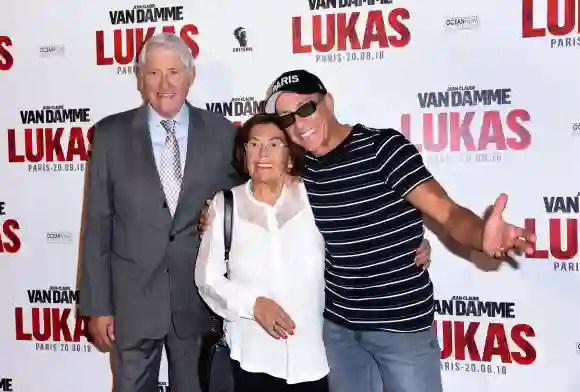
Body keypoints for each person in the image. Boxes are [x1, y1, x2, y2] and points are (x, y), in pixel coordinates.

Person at [259, 69, 536, 392]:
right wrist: (212, 211)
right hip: (339, 331)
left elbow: (447, 212)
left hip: (401, 329)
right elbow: (255, 205)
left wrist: (480, 235)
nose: (299, 124)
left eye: (306, 108)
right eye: (286, 119)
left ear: (329, 103)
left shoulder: (383, 148)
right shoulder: (300, 170)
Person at [194, 114, 433, 392]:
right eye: (254, 144)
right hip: (252, 357)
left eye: (274, 144)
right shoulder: (225, 205)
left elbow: (359, 227)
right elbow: (208, 278)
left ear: (290, 155)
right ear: (244, 152)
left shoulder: (313, 195)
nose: (263, 153)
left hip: (314, 357)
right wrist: (253, 304)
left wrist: (415, 242)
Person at [78, 33, 241, 392]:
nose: (164, 84)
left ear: (190, 76)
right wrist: (98, 306)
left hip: (198, 301)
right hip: (131, 303)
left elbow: (245, 203)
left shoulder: (221, 133)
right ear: (140, 78)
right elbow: (96, 225)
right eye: (153, 73)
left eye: (173, 72)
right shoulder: (109, 135)